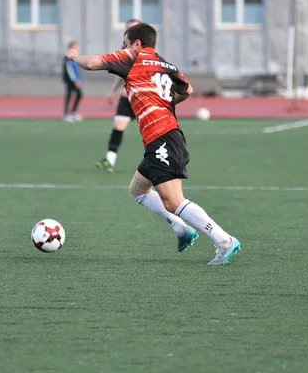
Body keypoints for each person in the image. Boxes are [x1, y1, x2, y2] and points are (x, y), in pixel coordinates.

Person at [67, 22, 241, 265]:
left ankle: (224, 240)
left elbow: (92, 62)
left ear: (137, 44)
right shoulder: (163, 63)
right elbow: (187, 89)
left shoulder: (133, 57)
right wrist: (163, 102)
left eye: (125, 43)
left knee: (173, 201)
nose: (122, 47)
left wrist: (74, 56)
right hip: (163, 137)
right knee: (138, 190)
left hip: (163, 137)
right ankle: (181, 229)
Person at [94, 18, 141, 172]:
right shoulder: (124, 50)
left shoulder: (146, 51)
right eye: (128, 29)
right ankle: (110, 160)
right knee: (118, 126)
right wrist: (113, 91)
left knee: (153, 130)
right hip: (126, 97)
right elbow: (121, 74)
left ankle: (162, 161)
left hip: (143, 97)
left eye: (133, 28)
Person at [62, 41, 83, 122]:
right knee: (69, 96)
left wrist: (78, 79)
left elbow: (76, 69)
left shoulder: (75, 56)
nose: (76, 48)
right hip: (70, 80)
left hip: (75, 79)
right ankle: (66, 114)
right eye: (75, 47)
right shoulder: (68, 56)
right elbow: (69, 69)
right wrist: (75, 80)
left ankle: (73, 112)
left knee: (79, 95)